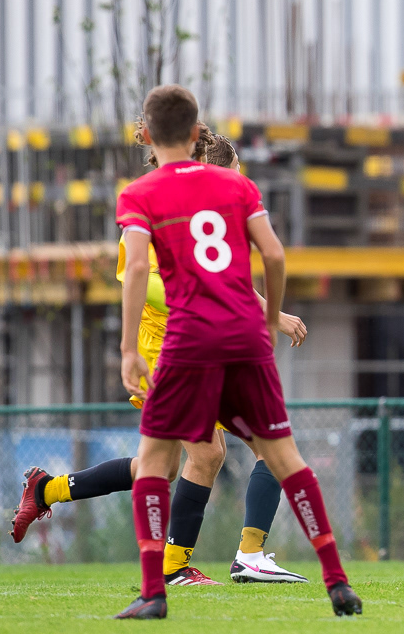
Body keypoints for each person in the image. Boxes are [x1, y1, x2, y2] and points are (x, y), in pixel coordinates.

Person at [10, 129, 309, 586]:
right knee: (226, 449)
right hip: (164, 355)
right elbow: (145, 283)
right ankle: (233, 558)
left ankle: (47, 488)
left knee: (169, 465)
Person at [112, 84, 360, 618]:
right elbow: (273, 253)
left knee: (155, 462)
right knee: (285, 457)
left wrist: (129, 348)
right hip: (243, 336)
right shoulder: (235, 187)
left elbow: (135, 270)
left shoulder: (140, 195)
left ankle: (155, 591)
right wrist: (269, 318)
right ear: (199, 133)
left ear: (150, 136)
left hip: (187, 341)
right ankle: (337, 581)